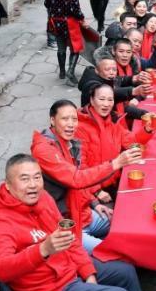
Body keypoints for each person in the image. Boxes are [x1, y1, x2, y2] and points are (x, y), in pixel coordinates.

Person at [0, 153, 156, 291]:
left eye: (37, 177)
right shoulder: (0, 223)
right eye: (24, 179)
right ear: (8, 185)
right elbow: (2, 269)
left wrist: (87, 271)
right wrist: (42, 250)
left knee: (125, 272)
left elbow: (71, 240)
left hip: (67, 269)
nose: (33, 185)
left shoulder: (43, 198)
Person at [30, 100, 141, 253]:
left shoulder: (70, 142)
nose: (71, 124)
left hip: (82, 213)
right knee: (113, 255)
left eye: (74, 119)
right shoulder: (44, 150)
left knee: (126, 225)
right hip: (63, 226)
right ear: (52, 120)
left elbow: (80, 177)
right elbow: (76, 179)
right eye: (65, 119)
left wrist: (94, 203)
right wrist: (116, 163)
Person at [76, 84, 155, 200]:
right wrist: (96, 191)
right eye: (101, 99)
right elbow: (79, 166)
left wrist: (147, 129)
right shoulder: (80, 128)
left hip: (113, 181)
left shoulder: (111, 121)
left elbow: (132, 141)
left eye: (110, 100)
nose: (106, 104)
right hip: (94, 189)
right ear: (92, 100)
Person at [47, 0, 86, 86]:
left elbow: (47, 4)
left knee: (61, 47)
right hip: (70, 23)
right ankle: (71, 71)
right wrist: (82, 18)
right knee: (75, 48)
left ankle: (62, 72)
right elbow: (75, 10)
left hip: (56, 23)